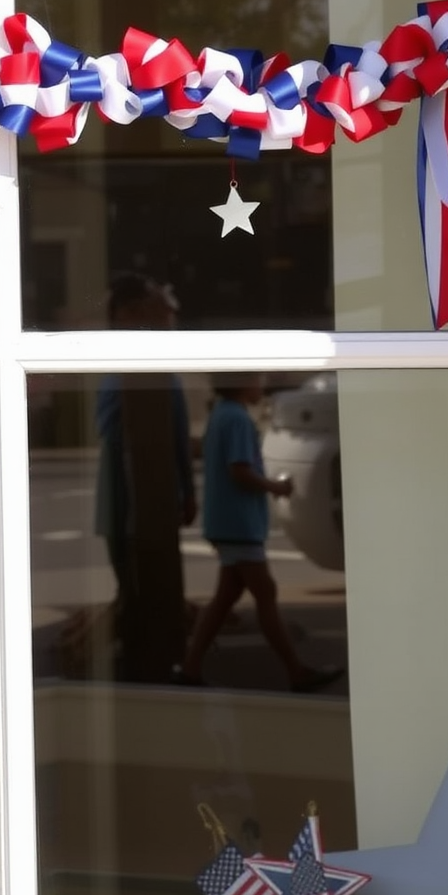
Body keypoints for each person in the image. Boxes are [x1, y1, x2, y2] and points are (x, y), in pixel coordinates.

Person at [175, 377, 342, 692]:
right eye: (256, 379)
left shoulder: (223, 414)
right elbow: (240, 470)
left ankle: (191, 668)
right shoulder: (237, 418)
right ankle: (296, 672)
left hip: (227, 523)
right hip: (238, 524)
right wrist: (277, 487)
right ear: (241, 382)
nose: (262, 386)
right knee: (265, 593)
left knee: (225, 599)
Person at [94, 273, 196, 680]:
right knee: (137, 589)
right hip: (130, 499)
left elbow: (176, 437)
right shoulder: (126, 370)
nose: (169, 314)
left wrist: (185, 490)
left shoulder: (154, 370)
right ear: (129, 314)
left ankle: (153, 659)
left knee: (150, 590)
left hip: (150, 500)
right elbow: (117, 430)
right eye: (158, 305)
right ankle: (143, 662)